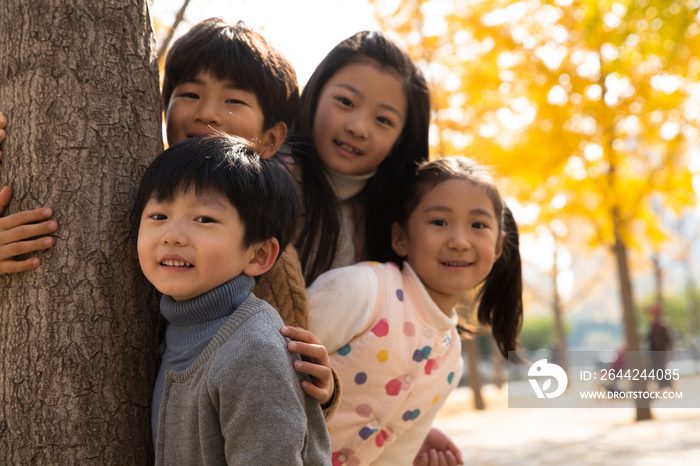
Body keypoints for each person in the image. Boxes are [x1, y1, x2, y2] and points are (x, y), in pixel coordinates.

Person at [0, 19, 337, 411]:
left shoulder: (261, 245)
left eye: (234, 101)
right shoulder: (136, 174)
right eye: (190, 94)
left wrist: (324, 391)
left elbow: (292, 371)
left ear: (273, 138)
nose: (208, 113)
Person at [304, 156, 523, 465]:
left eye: (478, 225)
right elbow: (270, 362)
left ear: (498, 247)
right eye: (439, 222)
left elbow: (393, 458)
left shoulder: (450, 361)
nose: (459, 241)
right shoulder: (364, 290)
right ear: (401, 237)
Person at [135, 134, 331, 465]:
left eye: (204, 219)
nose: (172, 235)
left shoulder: (253, 351)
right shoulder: (177, 325)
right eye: (158, 216)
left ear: (257, 255)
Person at [284, 30, 431, 286]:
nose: (358, 128)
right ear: (315, 94)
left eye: (383, 120)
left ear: (400, 141)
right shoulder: (265, 180)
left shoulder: (391, 221)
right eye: (346, 102)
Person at [647, 302, 673, 389]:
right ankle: (664, 385)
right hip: (654, 353)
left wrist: (672, 350)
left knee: (660, 368)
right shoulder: (652, 326)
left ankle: (667, 385)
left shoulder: (662, 326)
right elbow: (649, 340)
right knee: (657, 369)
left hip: (661, 352)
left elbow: (668, 339)